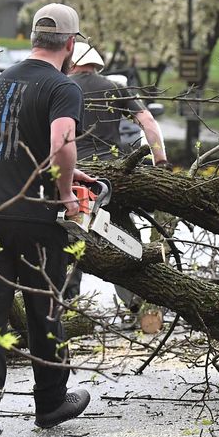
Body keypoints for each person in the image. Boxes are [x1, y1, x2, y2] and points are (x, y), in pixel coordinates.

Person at [0, 3, 95, 437]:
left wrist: (64, 170)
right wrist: (65, 195)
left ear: (34, 39)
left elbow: (13, 140)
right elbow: (61, 139)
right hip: (35, 214)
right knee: (44, 306)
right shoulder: (64, 87)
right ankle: (52, 402)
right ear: (72, 44)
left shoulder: (5, 79)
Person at [63, 42, 167, 314]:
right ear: (97, 65)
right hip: (113, 177)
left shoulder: (62, 87)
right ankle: (138, 302)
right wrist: (161, 161)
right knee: (123, 237)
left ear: (72, 63)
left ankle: (67, 303)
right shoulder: (116, 88)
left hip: (75, 176)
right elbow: (149, 123)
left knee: (73, 235)